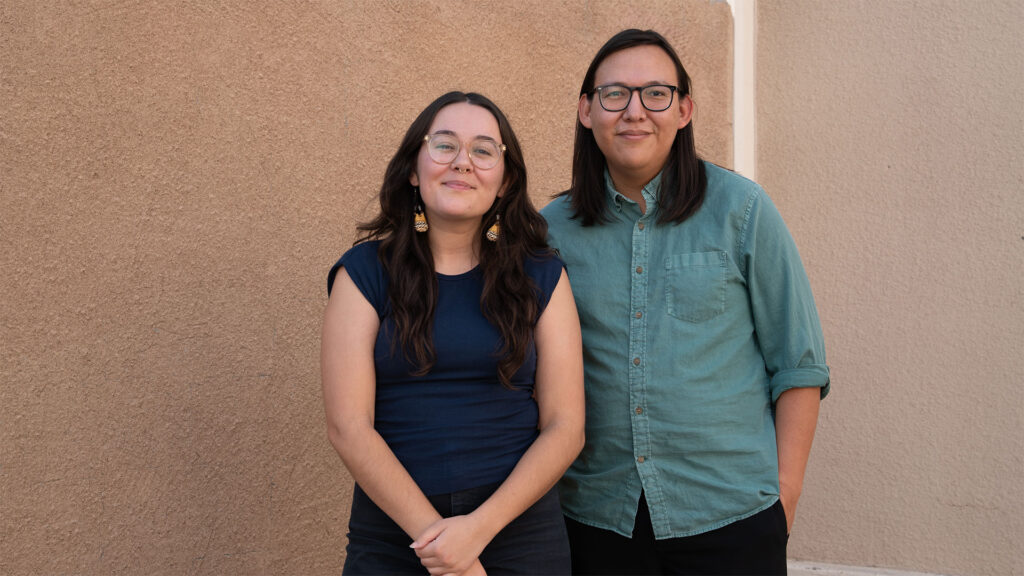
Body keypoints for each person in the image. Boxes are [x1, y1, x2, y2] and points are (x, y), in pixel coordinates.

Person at [540, 29, 830, 575]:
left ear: (684, 109)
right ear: (586, 110)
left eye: (656, 93)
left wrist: (782, 503)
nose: (635, 111)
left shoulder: (741, 210)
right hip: (597, 521)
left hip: (731, 519)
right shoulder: (551, 232)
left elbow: (799, 365)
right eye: (614, 94)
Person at [321, 91, 584, 576]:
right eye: (444, 146)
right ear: (413, 171)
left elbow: (565, 427)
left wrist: (477, 531)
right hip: (394, 539)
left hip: (520, 535)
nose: (463, 162)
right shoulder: (363, 273)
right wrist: (444, 549)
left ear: (504, 182)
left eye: (484, 151)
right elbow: (348, 427)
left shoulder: (541, 275)